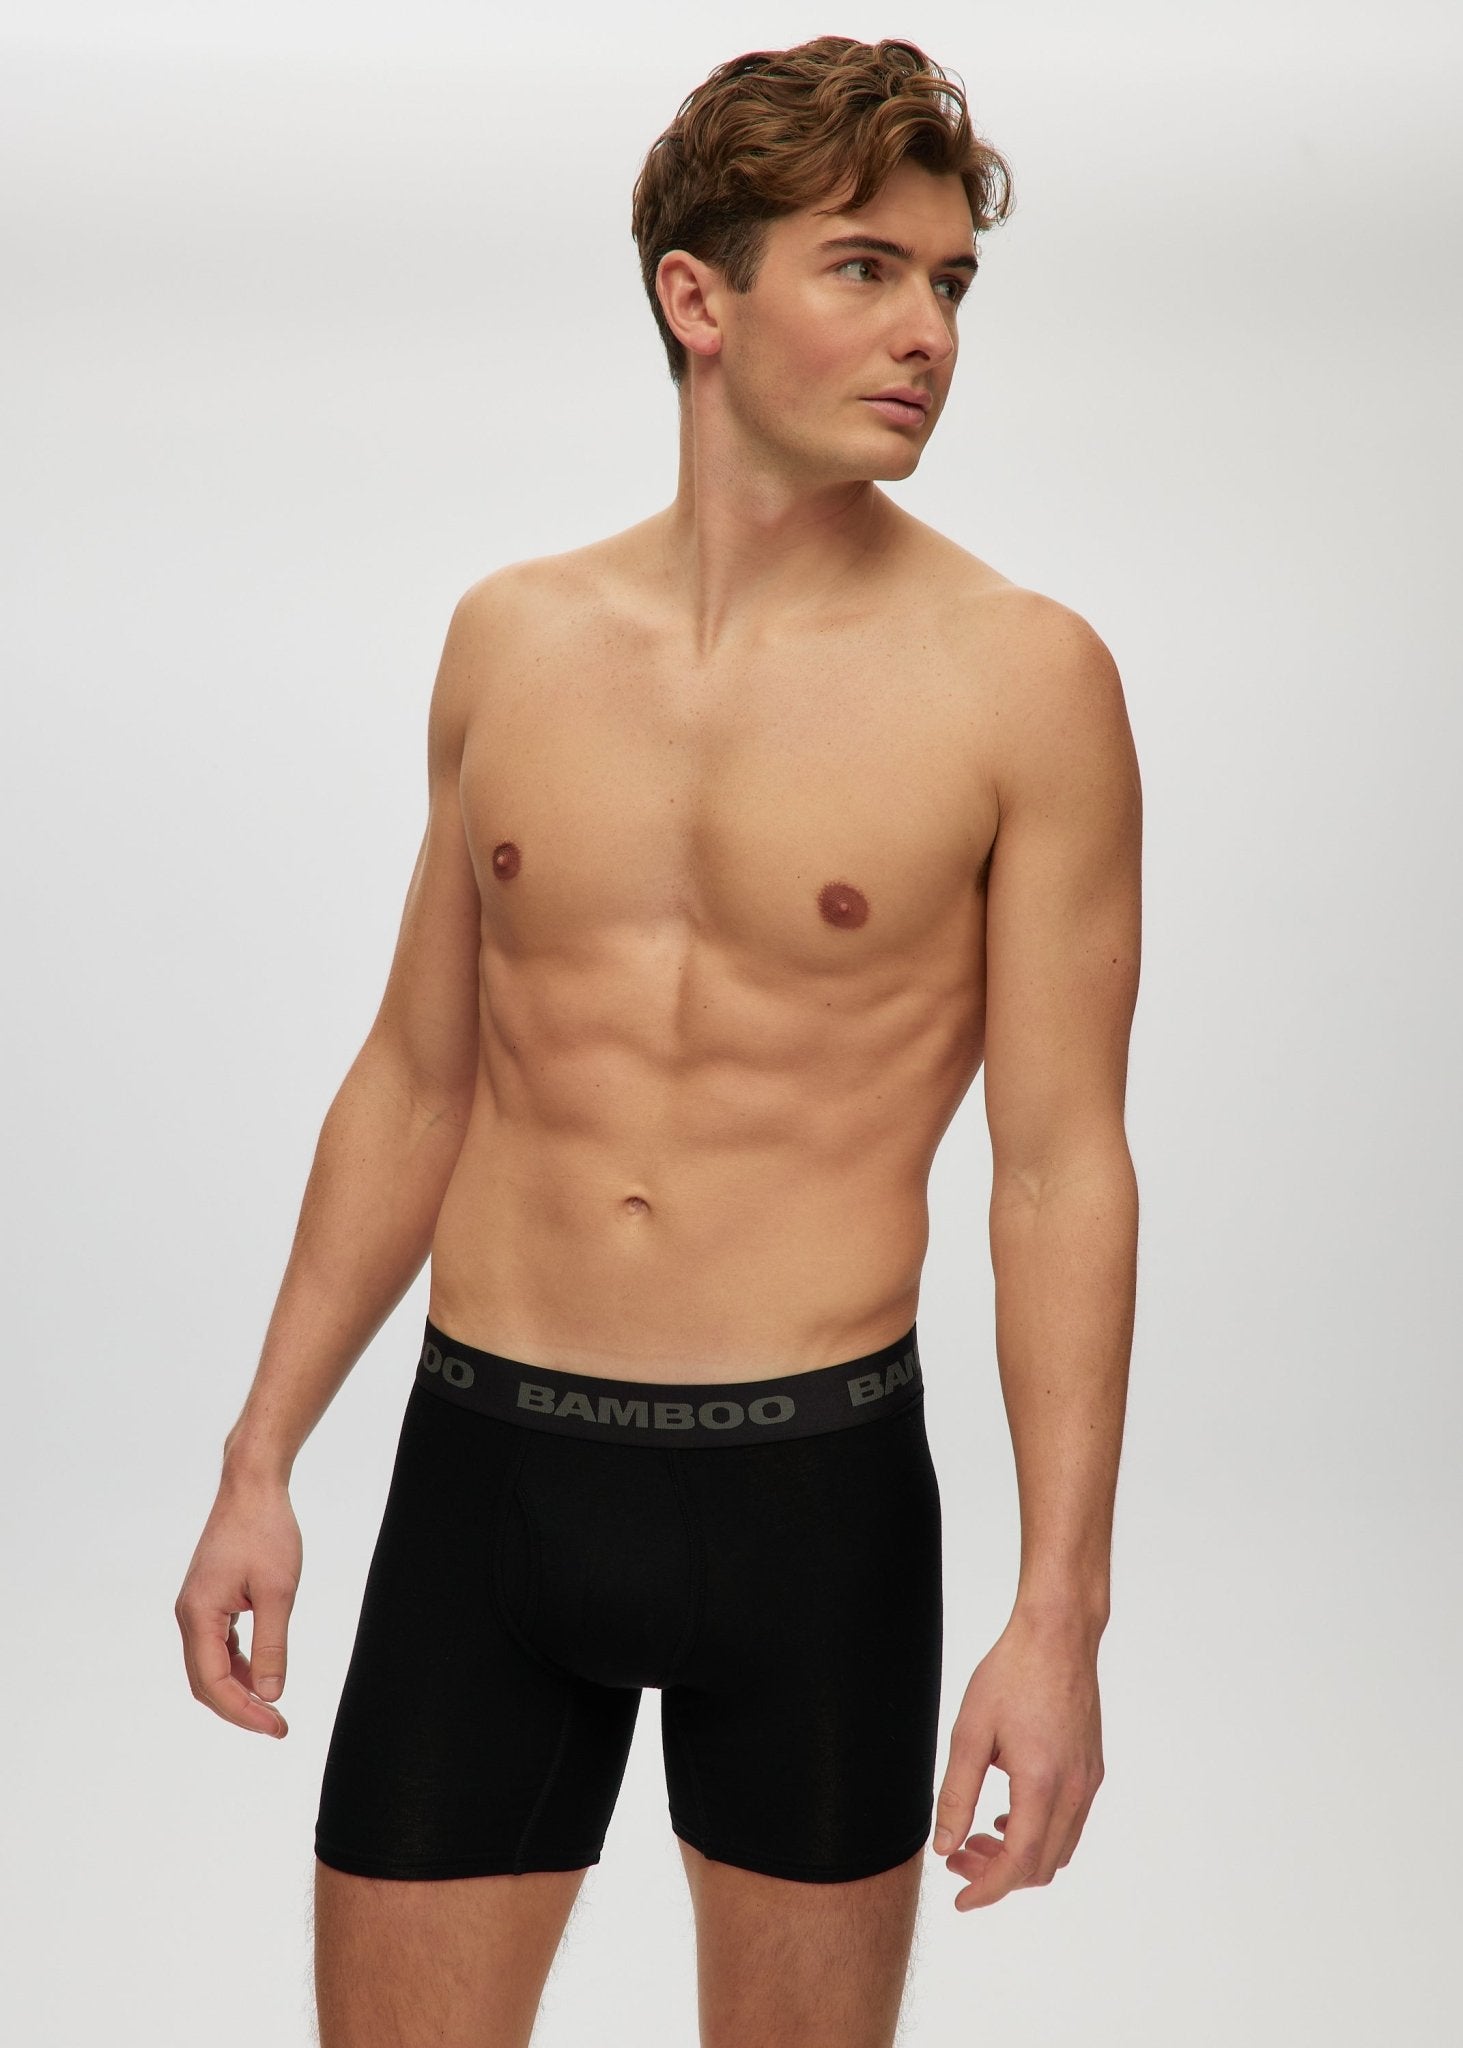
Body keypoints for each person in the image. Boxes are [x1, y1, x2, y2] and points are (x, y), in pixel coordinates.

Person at [175, 33, 1141, 2048]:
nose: (931, 332)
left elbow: (1060, 1169)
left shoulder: (1023, 681)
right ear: (698, 298)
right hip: (487, 1477)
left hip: (813, 1504)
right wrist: (261, 1454)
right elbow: (417, 1077)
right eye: (866, 268)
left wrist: (1060, 1614)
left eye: (952, 281)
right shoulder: (511, 641)